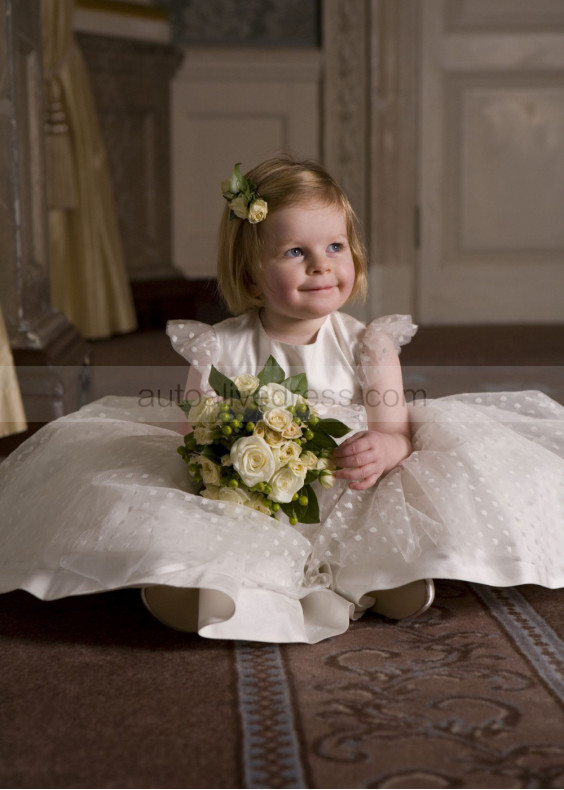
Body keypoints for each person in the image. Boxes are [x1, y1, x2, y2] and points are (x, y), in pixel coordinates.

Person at [0, 156, 563, 644]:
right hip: (251, 496)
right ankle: (193, 584)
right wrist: (224, 462)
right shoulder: (218, 347)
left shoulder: (369, 344)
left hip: (345, 484)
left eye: (335, 246)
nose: (322, 264)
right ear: (250, 275)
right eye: (296, 251)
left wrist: (384, 448)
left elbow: (396, 430)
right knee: (181, 512)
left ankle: (385, 573)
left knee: (390, 502)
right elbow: (195, 435)